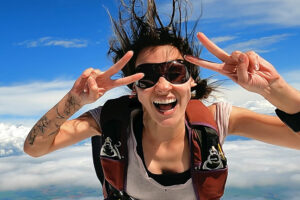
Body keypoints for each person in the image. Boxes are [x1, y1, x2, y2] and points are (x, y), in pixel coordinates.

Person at [23, 0, 300, 199]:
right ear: (135, 89)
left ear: (192, 81)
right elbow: (35, 148)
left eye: (176, 73)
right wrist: (74, 101)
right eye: (147, 76)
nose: (163, 85)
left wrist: (274, 89)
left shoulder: (218, 120)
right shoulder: (112, 122)